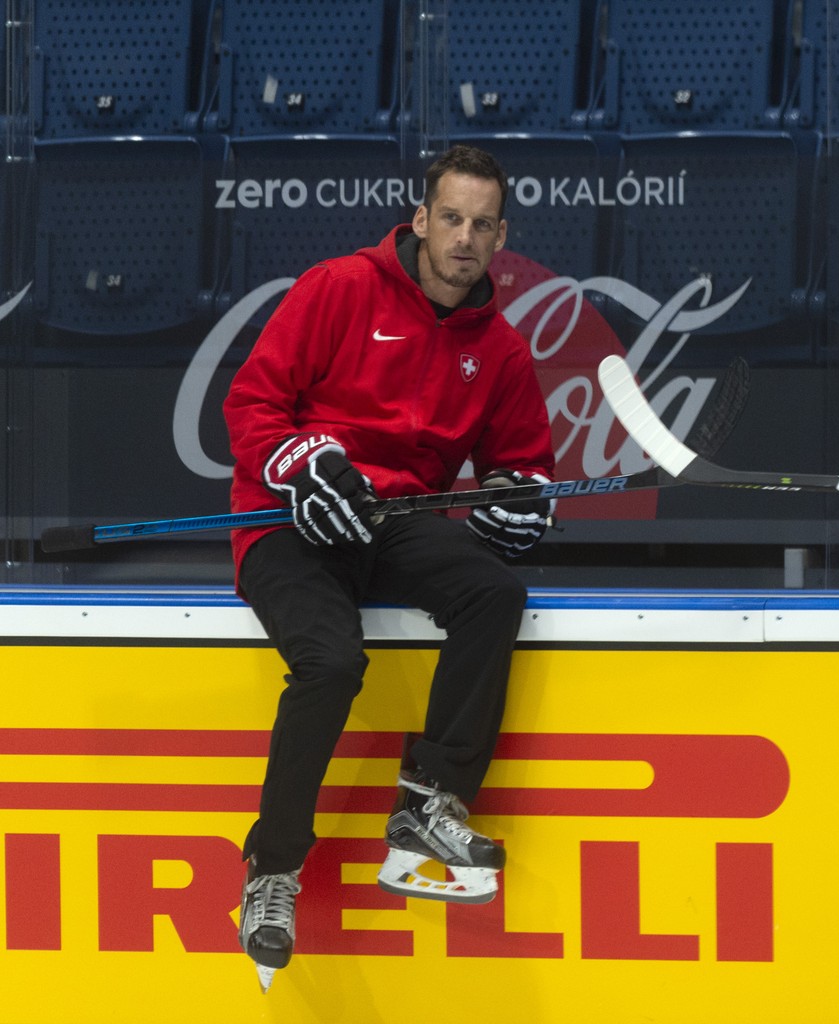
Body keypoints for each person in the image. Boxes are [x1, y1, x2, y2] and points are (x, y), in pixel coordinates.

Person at [222, 144, 556, 989]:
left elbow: (524, 465)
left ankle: (428, 805)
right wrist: (299, 462)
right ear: (420, 220)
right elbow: (252, 405)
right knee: (332, 665)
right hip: (287, 523)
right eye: (451, 218)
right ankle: (272, 872)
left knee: (493, 590)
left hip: (393, 523)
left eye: (483, 224)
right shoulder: (337, 288)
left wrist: (523, 502)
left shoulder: (503, 352)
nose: (465, 238)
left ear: (501, 237)